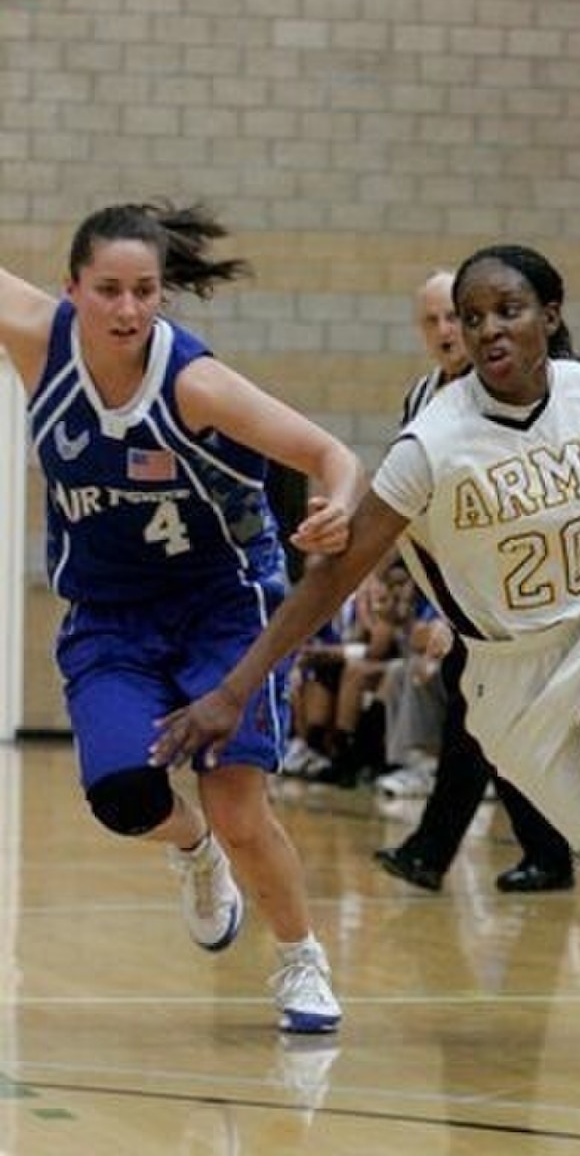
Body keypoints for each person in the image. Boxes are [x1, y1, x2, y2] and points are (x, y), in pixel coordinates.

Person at [153, 243, 580, 1079]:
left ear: (549, 315)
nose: (485, 330)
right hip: (509, 677)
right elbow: (332, 582)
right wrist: (236, 687)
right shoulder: (431, 442)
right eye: (471, 317)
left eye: (505, 310)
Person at [0, 201, 367, 1034]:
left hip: (220, 607)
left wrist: (338, 506)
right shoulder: (36, 339)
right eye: (108, 291)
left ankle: (298, 957)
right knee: (124, 796)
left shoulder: (194, 384)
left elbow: (330, 455)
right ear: (72, 290)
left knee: (243, 809)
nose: (128, 310)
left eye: (144, 291)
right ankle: (191, 849)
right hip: (110, 614)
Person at [375, 269, 575, 892]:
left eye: (450, 317)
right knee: (482, 725)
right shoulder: (420, 398)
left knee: (485, 724)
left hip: (516, 597)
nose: (444, 331)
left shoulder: (514, 395)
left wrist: (446, 614)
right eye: (432, 320)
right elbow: (417, 509)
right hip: (461, 594)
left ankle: (443, 852)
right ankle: (525, 853)